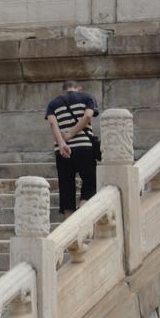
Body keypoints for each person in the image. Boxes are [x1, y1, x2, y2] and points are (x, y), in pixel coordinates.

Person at [46, 81, 99, 217]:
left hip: (62, 151)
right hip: (84, 148)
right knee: (90, 184)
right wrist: (71, 133)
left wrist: (62, 142)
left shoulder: (53, 103)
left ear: (63, 90)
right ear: (78, 88)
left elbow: (53, 123)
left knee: (66, 189)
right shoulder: (87, 97)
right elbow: (87, 116)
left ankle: (70, 225)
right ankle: (82, 215)